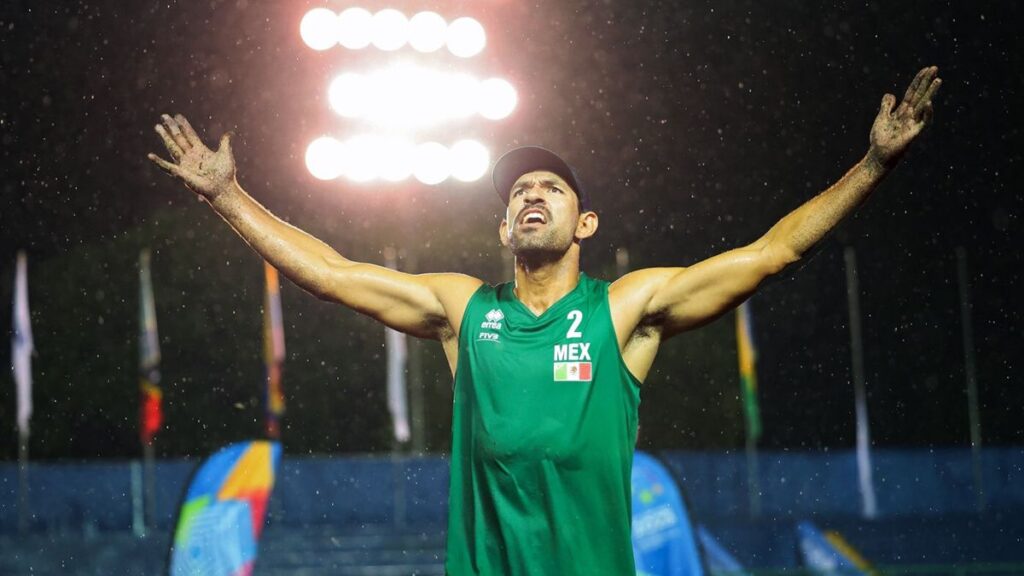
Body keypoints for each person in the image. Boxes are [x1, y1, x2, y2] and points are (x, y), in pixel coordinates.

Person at [148, 66, 941, 575]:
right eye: (519, 192)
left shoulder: (624, 310)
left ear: (584, 224)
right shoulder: (464, 311)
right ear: (503, 228)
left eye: (552, 190)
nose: (531, 195)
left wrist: (870, 167)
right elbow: (328, 274)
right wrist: (227, 197)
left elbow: (772, 255)